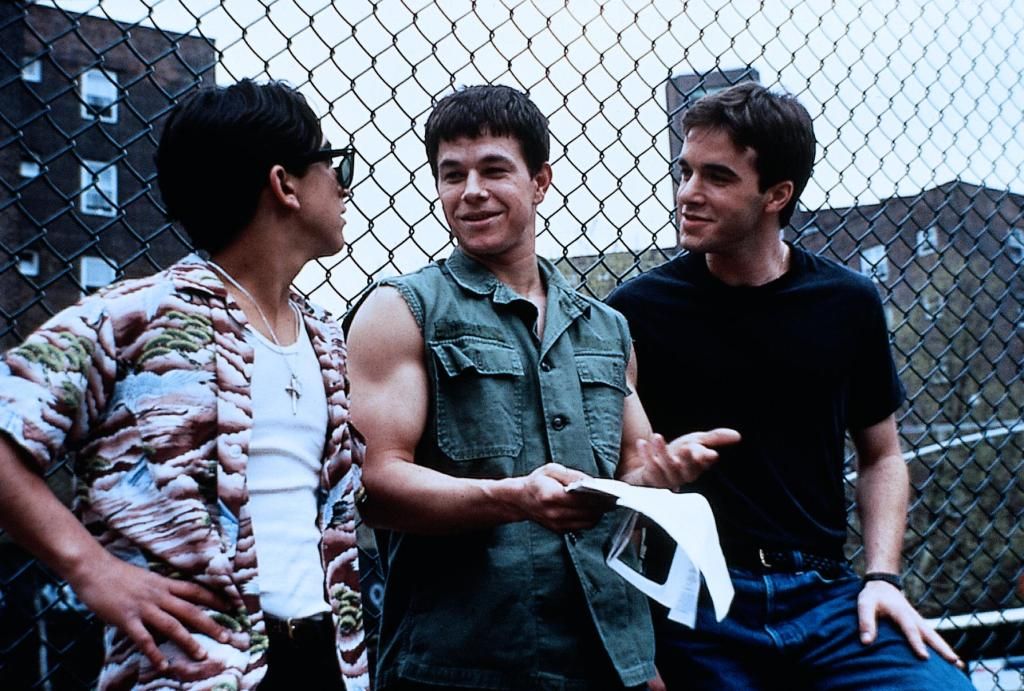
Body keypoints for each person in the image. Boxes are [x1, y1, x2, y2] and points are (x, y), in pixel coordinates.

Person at [345, 84, 738, 691]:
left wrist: (660, 475)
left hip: (609, 661)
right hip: (463, 665)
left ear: (540, 181)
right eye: (452, 175)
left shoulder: (607, 328)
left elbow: (630, 474)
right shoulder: (402, 311)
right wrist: (513, 498)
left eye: (493, 170)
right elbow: (373, 486)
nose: (471, 191)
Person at [0, 79, 368, 690]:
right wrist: (91, 570)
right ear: (285, 185)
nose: (344, 184)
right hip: (193, 667)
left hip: (328, 662)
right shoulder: (135, 316)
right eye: (335, 164)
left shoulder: (328, 337)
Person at [607, 82, 971, 689]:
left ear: (777, 194)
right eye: (685, 171)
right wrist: (652, 480)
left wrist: (883, 579)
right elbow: (616, 483)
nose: (688, 193)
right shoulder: (635, 312)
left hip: (825, 596)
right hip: (695, 601)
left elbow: (883, 457)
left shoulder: (847, 301)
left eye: (717, 177)